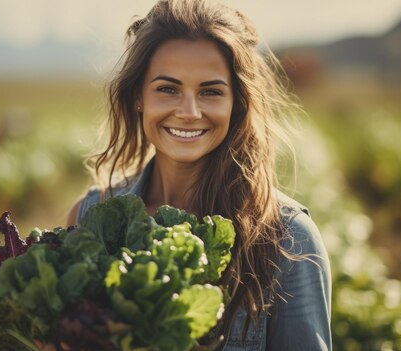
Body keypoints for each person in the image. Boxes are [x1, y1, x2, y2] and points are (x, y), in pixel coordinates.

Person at [66, 0, 331, 349]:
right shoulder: (88, 218)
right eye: (167, 88)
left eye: (210, 91)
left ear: (237, 102)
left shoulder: (288, 241)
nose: (189, 112)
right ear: (137, 97)